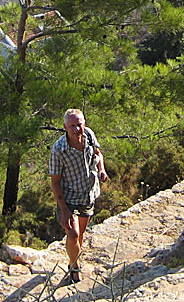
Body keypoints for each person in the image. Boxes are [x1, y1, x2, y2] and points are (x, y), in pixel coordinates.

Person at [49, 109, 108, 283]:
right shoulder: (59, 150)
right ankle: (74, 268)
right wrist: (64, 210)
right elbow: (55, 182)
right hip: (69, 197)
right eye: (72, 126)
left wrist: (102, 170)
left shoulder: (89, 135)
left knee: (80, 234)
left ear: (84, 123)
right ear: (65, 127)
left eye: (79, 124)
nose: (77, 129)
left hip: (88, 192)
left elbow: (98, 154)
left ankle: (75, 259)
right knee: (73, 234)